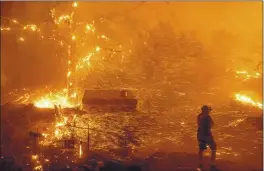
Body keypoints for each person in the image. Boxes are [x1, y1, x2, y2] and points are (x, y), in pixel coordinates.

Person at [197, 105, 217, 171]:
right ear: (205, 110)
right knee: (214, 147)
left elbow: (199, 124)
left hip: (200, 135)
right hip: (207, 135)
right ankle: (212, 164)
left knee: (201, 149)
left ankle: (200, 164)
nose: (209, 111)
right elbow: (212, 124)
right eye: (208, 110)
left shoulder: (199, 116)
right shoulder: (207, 117)